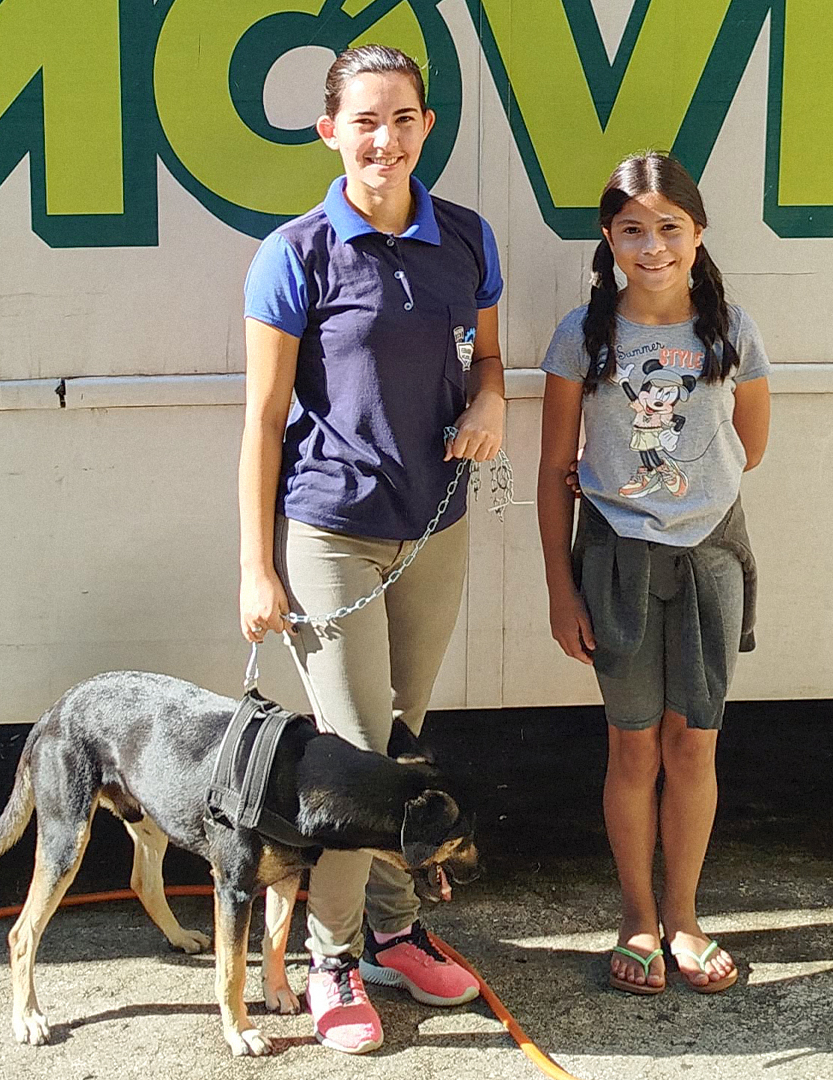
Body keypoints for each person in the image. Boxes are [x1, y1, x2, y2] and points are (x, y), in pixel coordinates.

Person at [238, 44, 505, 1053]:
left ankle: (393, 930)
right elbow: (262, 421)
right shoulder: (295, 253)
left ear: (424, 126)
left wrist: (487, 403)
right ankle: (331, 955)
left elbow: (489, 367)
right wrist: (255, 565)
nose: (382, 139)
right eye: (362, 120)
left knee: (397, 748)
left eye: (401, 118)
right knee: (353, 761)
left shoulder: (466, 239)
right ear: (328, 132)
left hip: (433, 527)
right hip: (329, 534)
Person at [535, 151, 771, 996]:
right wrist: (562, 590)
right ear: (608, 240)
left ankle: (684, 917)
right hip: (613, 560)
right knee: (632, 749)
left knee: (694, 744)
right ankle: (636, 916)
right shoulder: (581, 334)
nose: (652, 246)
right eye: (632, 230)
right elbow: (552, 466)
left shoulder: (730, 330)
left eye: (669, 228)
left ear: (698, 236)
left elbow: (754, 443)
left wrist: (688, 488)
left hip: (710, 556)